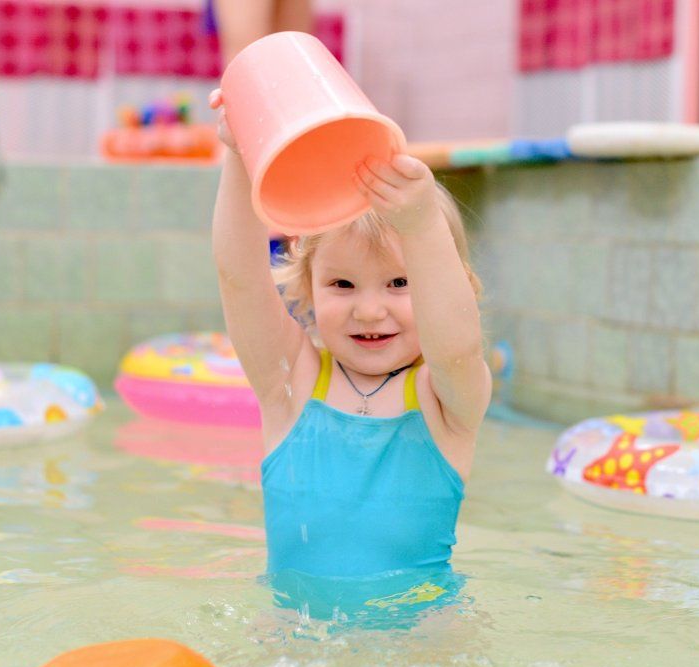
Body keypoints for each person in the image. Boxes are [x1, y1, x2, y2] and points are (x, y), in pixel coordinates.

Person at [209, 89, 490, 620]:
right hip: (296, 639)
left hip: (420, 641)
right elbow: (239, 278)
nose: (369, 310)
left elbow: (457, 344)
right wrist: (242, 155)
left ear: (449, 287)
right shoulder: (290, 383)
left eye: (399, 283)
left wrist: (422, 225)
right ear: (307, 290)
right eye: (342, 284)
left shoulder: (445, 400)